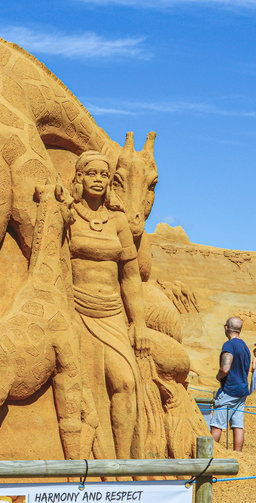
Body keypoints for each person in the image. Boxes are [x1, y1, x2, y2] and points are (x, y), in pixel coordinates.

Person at [68, 151, 150, 459]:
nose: (98, 180)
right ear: (79, 177)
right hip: (76, 311)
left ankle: (123, 462)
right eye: (92, 173)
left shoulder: (117, 221)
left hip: (112, 315)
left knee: (126, 383)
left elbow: (130, 276)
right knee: (83, 391)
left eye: (104, 175)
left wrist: (138, 323)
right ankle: (89, 460)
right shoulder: (70, 215)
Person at [210, 316, 250, 451]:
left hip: (229, 391)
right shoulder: (245, 346)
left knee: (217, 424)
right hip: (242, 391)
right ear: (240, 330)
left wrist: (218, 376)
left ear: (226, 328)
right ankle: (238, 456)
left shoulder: (229, 345)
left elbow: (225, 368)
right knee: (238, 425)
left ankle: (210, 456)